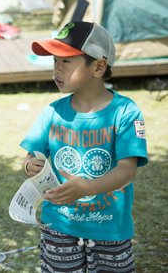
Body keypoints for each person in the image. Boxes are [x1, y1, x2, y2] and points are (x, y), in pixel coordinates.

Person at [20, 21, 148, 273]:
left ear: (99, 66)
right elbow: (29, 155)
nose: (56, 69)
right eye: (54, 60)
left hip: (109, 228)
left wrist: (87, 188)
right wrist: (28, 165)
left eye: (66, 61)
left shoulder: (126, 112)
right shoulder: (52, 113)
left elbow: (127, 170)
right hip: (58, 224)